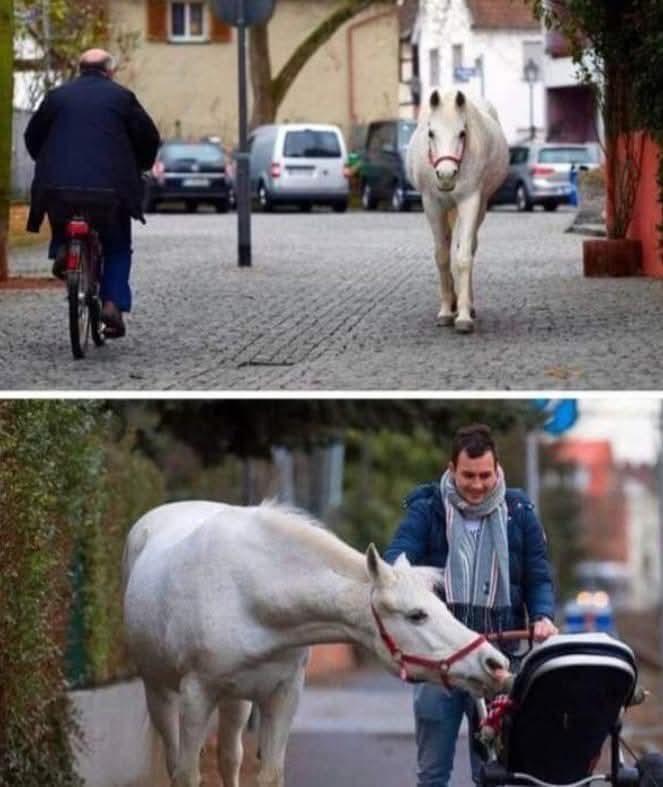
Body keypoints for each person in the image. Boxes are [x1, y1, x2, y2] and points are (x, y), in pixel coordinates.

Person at [384, 423, 558, 787]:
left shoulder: (519, 512)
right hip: (441, 660)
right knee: (432, 774)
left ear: (497, 470)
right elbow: (396, 561)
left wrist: (542, 616)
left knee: (494, 772)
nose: (477, 485)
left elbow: (537, 576)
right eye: (468, 476)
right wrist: (414, 584)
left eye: (485, 475)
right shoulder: (427, 509)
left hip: (498, 657)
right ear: (451, 469)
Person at [24, 48, 160, 338]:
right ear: (109, 71)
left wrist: (48, 163)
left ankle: (63, 249)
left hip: (59, 188)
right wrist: (141, 166)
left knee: (62, 214)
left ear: (80, 69)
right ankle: (112, 304)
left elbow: (32, 137)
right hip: (110, 192)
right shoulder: (122, 98)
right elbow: (149, 138)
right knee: (117, 245)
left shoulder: (57, 97)